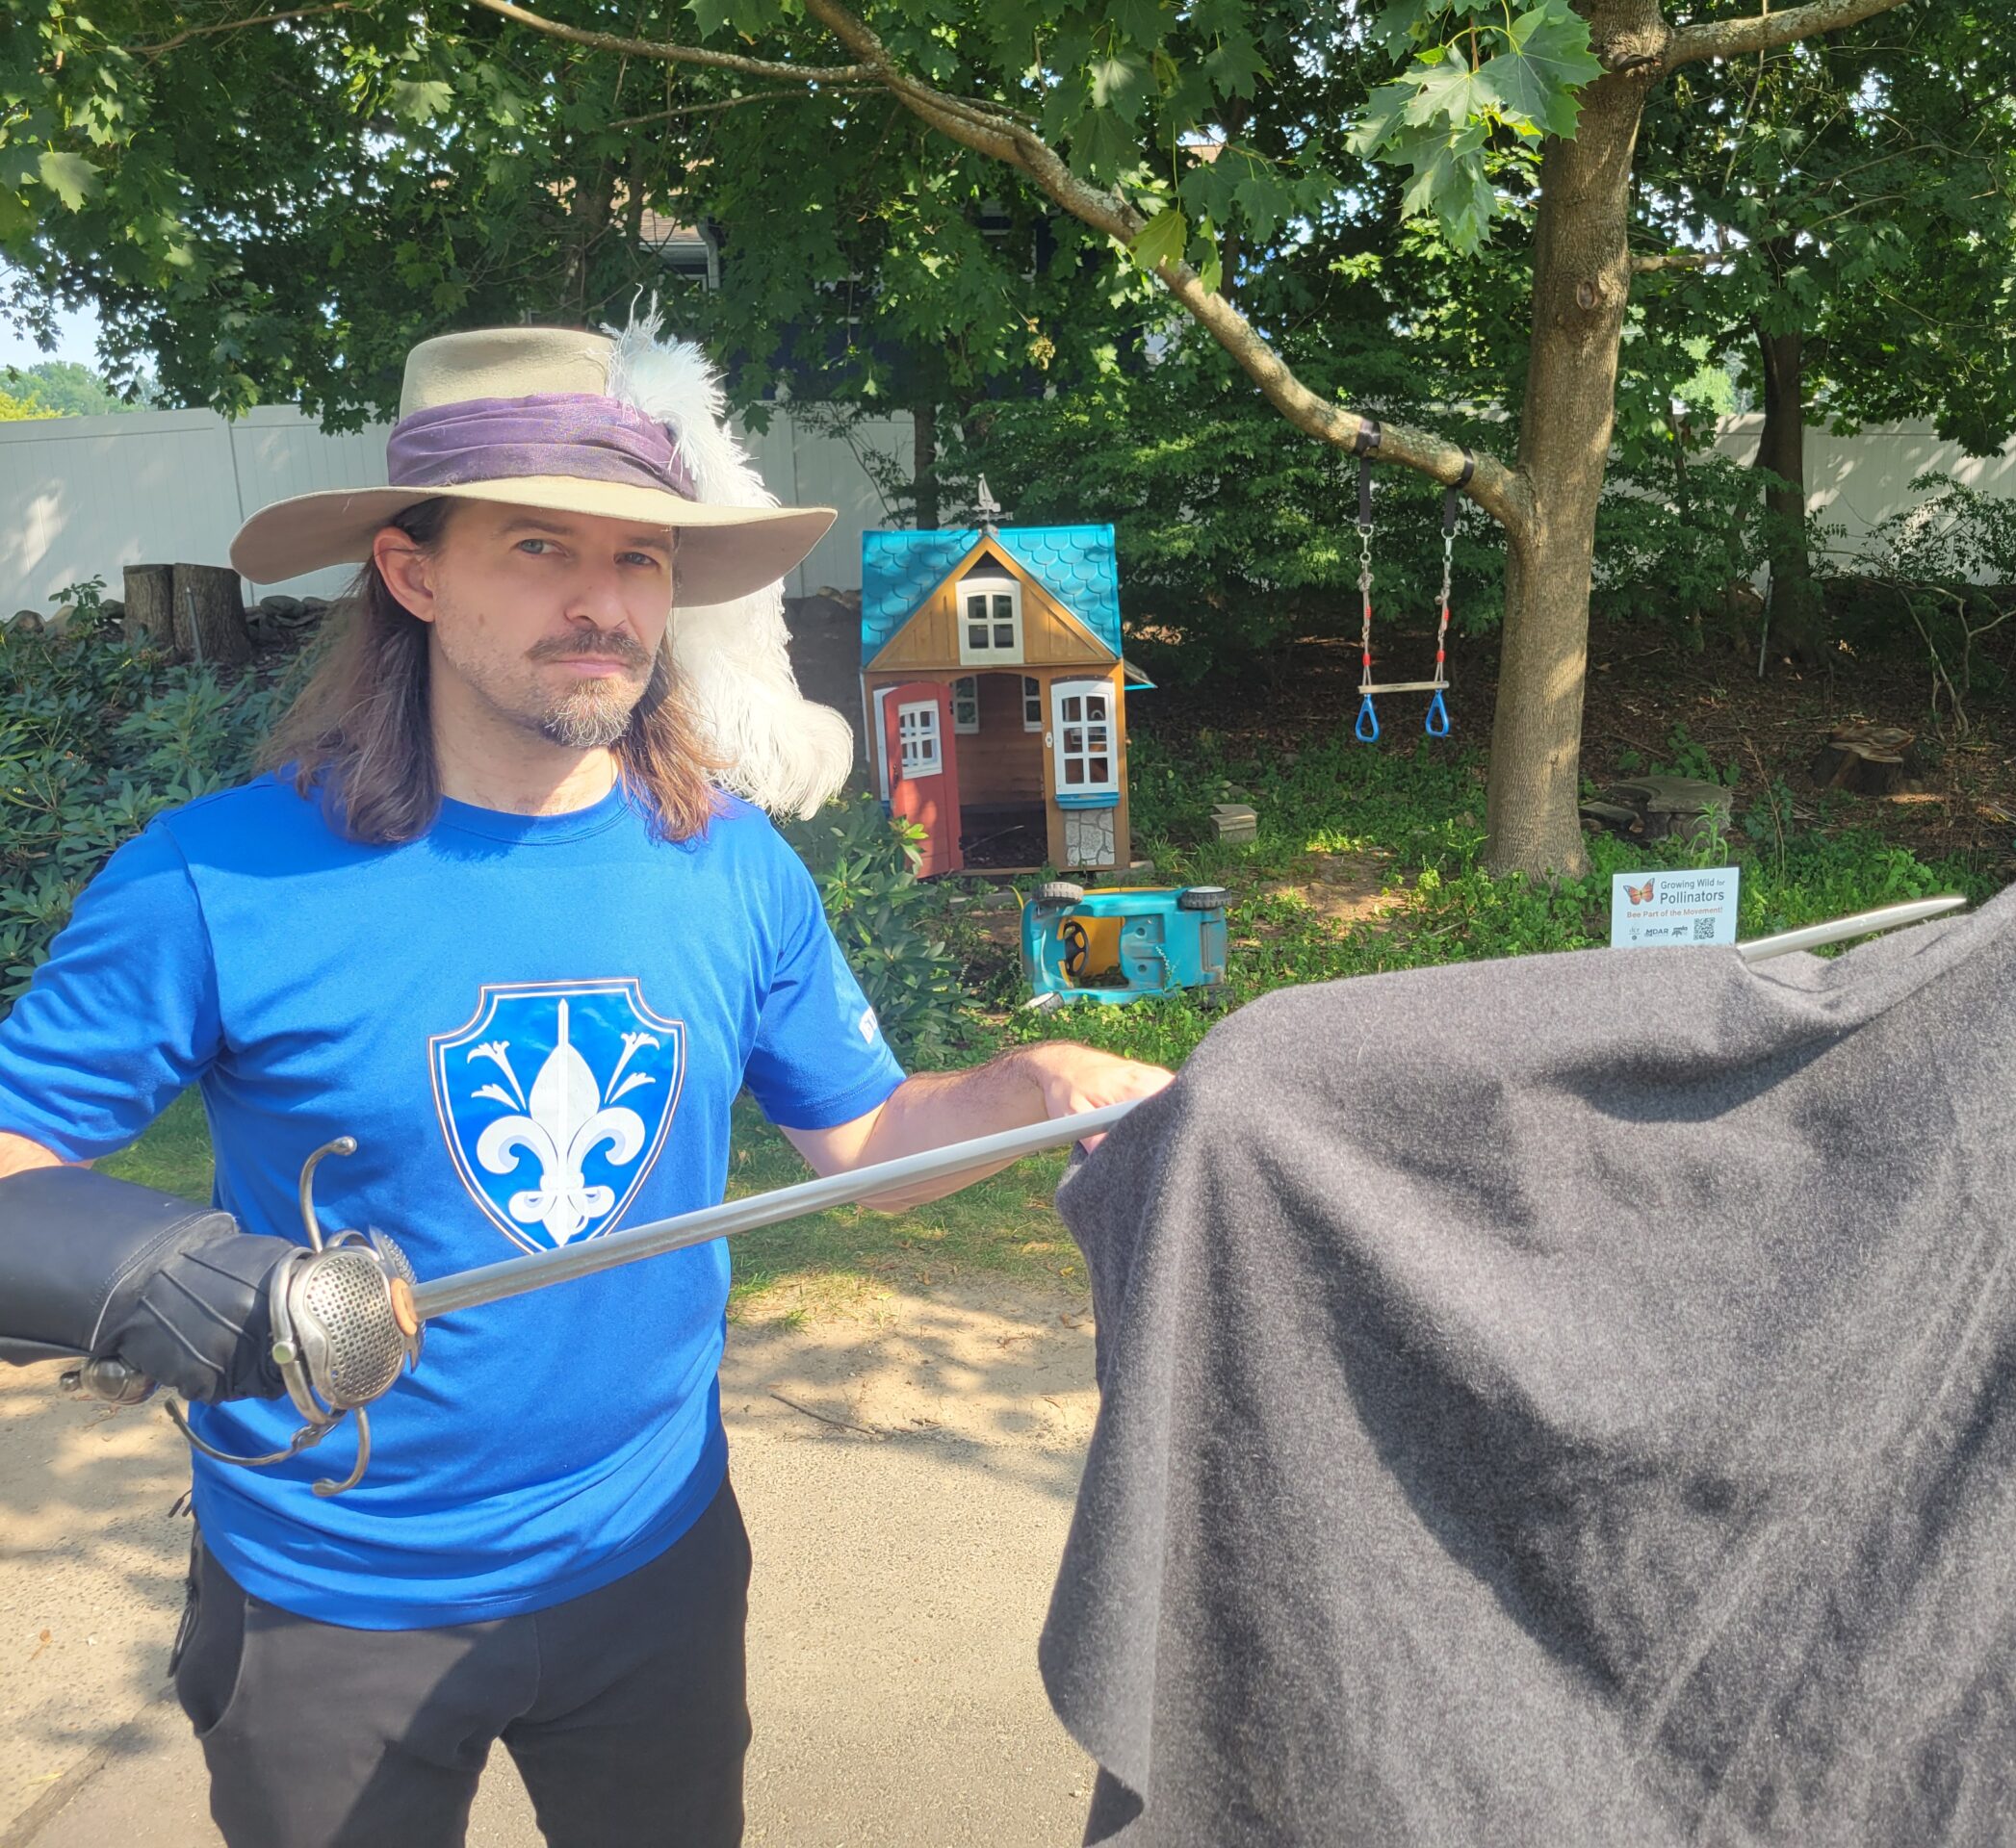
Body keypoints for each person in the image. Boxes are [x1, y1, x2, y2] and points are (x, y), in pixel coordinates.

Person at [0, 321, 1170, 1847]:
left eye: (639, 558)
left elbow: (864, 1135)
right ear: (413, 575)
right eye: (541, 545)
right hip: (329, 1597)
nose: (602, 602)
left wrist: (1033, 1084)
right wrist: (184, 1283)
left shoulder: (732, 864)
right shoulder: (213, 878)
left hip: (654, 1561)